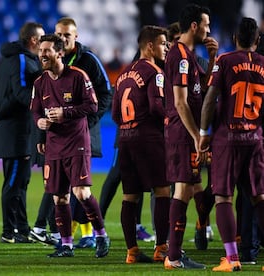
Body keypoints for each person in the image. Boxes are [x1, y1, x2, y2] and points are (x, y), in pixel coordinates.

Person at [31, 34, 110, 258]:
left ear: (60, 53)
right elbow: (35, 110)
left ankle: (101, 235)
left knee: (82, 192)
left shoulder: (78, 76)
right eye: (40, 50)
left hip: (77, 142)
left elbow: (92, 105)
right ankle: (66, 245)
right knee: (59, 197)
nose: (42, 54)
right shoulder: (40, 82)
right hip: (54, 145)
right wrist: (40, 123)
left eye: (47, 50)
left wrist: (65, 113)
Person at [198, 17, 264, 272]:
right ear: (257, 41)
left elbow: (211, 98)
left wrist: (204, 132)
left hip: (229, 138)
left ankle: (232, 258)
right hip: (255, 138)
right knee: (258, 197)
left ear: (235, 38)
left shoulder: (225, 61)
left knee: (223, 196)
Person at [163, 3, 217, 270]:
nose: (209, 29)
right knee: (183, 190)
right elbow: (181, 102)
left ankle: (175, 252)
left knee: (191, 189)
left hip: (185, 133)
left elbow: (202, 92)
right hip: (183, 134)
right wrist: (197, 135)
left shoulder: (189, 56)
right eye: (206, 24)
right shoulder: (181, 57)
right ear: (194, 26)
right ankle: (173, 256)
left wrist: (214, 58)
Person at [112, 25, 170, 264]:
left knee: (130, 197)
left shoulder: (124, 74)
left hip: (125, 139)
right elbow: (157, 108)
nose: (166, 48)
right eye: (163, 44)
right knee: (163, 190)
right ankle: (161, 248)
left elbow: (115, 113)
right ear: (150, 46)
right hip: (149, 138)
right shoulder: (155, 72)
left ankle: (132, 252)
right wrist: (170, 121)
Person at [0, 22, 45, 243]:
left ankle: (21, 228)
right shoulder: (22, 60)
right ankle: (8, 230)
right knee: (13, 183)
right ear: (33, 40)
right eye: (41, 39)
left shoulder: (23, 59)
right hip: (15, 132)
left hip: (20, 130)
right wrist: (42, 101)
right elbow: (22, 94)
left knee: (21, 182)